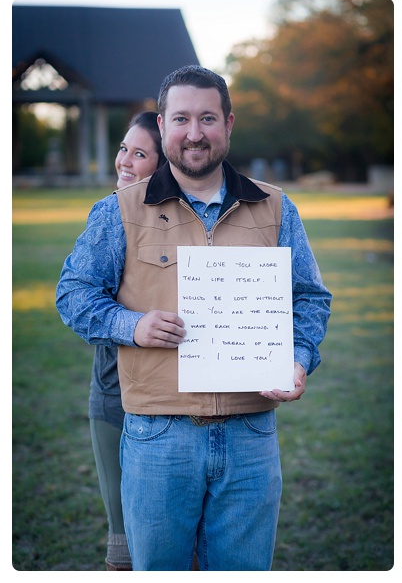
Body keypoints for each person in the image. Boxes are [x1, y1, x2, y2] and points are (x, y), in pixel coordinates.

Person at [56, 65, 332, 570]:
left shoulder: (276, 208)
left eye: (208, 118)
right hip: (158, 436)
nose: (195, 132)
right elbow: (73, 294)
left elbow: (310, 298)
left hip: (251, 437)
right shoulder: (118, 210)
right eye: (181, 118)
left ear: (228, 124)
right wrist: (131, 326)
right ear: (162, 127)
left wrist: (298, 357)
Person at [90, 110, 166, 571]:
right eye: (124, 148)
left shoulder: (180, 221)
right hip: (113, 395)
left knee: (169, 538)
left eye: (139, 154)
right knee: (123, 542)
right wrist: (132, 326)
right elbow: (76, 300)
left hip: (168, 398)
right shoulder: (106, 214)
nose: (125, 161)